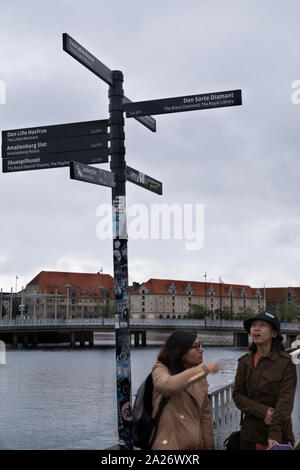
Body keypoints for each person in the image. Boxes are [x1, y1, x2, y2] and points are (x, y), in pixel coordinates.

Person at [233, 311, 297, 450]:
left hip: (278, 433)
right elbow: (237, 395)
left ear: (274, 334)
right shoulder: (244, 362)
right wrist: (264, 411)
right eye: (253, 325)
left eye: (262, 325)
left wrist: (274, 434)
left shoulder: (285, 363)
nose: (256, 328)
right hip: (250, 434)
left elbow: (285, 401)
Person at [150, 330, 222, 450]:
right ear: (181, 353)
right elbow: (168, 385)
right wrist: (205, 369)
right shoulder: (161, 369)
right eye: (196, 346)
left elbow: (205, 419)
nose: (201, 350)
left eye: (201, 345)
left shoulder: (199, 377)